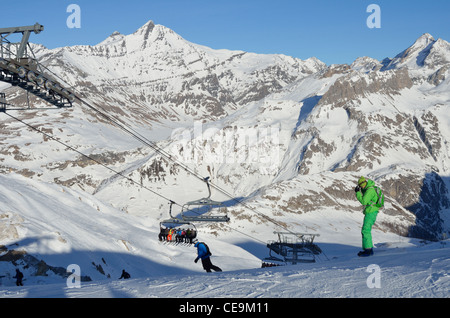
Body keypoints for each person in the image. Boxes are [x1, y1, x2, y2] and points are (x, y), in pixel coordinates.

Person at [355, 176, 381, 257]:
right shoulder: (369, 188)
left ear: (365, 182)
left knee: (365, 230)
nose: (362, 186)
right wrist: (360, 190)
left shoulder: (370, 190)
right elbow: (366, 195)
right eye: (360, 185)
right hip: (372, 211)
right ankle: (367, 249)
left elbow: (363, 201)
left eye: (362, 184)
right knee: (366, 230)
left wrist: (357, 193)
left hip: (371, 211)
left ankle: (368, 251)